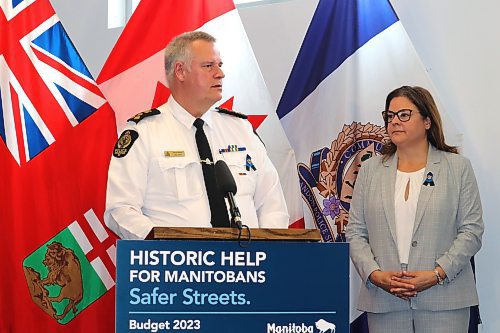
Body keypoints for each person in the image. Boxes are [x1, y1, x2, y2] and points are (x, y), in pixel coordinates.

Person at [104, 31, 289, 239]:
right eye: (209, 66)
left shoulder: (241, 129)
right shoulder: (144, 133)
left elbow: (272, 205)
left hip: (247, 265)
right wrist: (162, 247)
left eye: (220, 65)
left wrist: (269, 251)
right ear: (180, 71)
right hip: (177, 267)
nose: (220, 73)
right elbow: (120, 210)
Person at [346, 86, 484, 332]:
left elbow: (471, 231)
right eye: (390, 116)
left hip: (445, 299)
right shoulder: (369, 171)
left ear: (427, 121)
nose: (395, 121)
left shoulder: (458, 167)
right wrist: (376, 275)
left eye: (404, 115)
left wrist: (437, 274)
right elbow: (355, 232)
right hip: (385, 300)